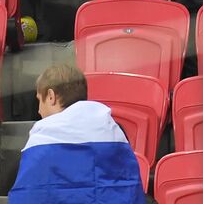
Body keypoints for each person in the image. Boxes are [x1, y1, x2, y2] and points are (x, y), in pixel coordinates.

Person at [10, 64, 145, 204]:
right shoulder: (115, 132)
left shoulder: (41, 141)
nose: (39, 110)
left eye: (39, 100)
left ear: (51, 96)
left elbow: (28, 195)